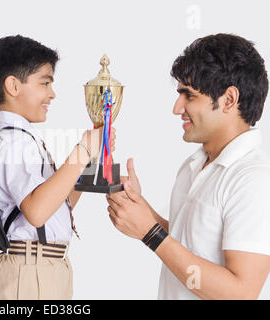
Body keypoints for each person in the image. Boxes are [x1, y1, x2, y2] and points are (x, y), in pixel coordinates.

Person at [106, 33, 270, 299]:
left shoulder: (253, 179)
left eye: (189, 96)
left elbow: (241, 292)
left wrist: (150, 233)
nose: (176, 107)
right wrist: (142, 210)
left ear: (229, 99)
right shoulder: (194, 164)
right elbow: (192, 244)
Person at [0, 35, 115, 299]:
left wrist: (90, 159)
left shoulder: (24, 139)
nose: (52, 93)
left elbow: (59, 203)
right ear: (13, 85)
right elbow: (37, 212)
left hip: (44, 267)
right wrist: (83, 150)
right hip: (30, 271)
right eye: (45, 83)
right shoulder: (12, 142)